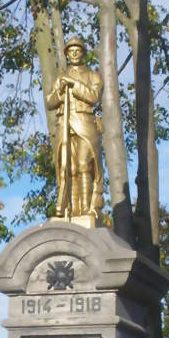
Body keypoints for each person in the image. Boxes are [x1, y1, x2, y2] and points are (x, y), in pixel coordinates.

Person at [46, 37, 104, 221]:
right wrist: (61, 90)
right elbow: (49, 102)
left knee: (84, 165)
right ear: (67, 54)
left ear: (83, 52)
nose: (74, 53)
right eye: (70, 51)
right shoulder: (61, 77)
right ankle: (68, 209)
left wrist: (74, 84)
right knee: (67, 169)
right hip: (64, 122)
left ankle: (87, 209)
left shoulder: (93, 75)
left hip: (84, 122)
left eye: (77, 50)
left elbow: (94, 96)